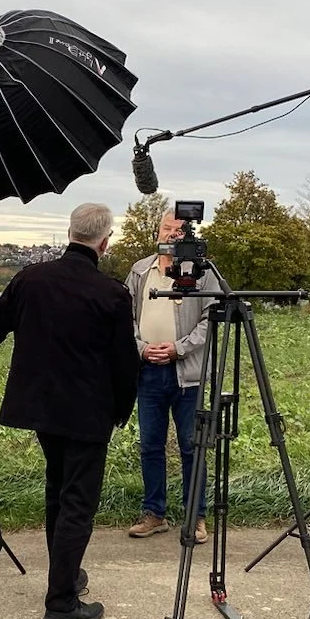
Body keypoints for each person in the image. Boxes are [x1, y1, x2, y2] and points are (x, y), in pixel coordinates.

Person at [0, 202, 139, 619]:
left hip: (42, 411)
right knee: (78, 502)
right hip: (88, 414)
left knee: (58, 491)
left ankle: (67, 576)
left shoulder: (31, 279)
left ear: (70, 232)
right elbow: (124, 361)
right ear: (104, 242)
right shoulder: (111, 293)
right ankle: (61, 602)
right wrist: (122, 410)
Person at [124, 210, 220, 544]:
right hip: (148, 372)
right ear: (158, 232)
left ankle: (196, 516)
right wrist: (141, 349)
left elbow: (212, 318)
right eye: (167, 228)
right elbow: (123, 316)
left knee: (192, 446)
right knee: (151, 445)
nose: (172, 234)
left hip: (187, 375)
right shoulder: (140, 270)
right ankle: (154, 513)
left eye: (179, 230)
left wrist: (179, 348)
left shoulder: (203, 272)